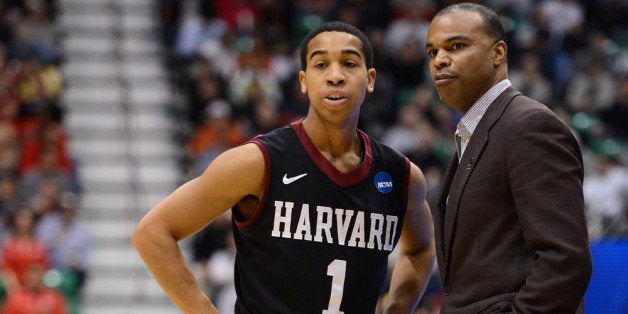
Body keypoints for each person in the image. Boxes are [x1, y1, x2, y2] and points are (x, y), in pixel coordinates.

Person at [132, 21, 436, 313]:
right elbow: (153, 233)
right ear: (303, 81)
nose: (335, 76)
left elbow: (421, 249)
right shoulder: (256, 162)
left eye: (349, 64)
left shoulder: (401, 175)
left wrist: (397, 308)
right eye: (320, 65)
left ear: (369, 79)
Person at [425, 3, 592, 313]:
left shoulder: (528, 126)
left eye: (456, 46)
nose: (440, 60)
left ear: (498, 53)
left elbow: (565, 261)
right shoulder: (476, 130)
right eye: (432, 52)